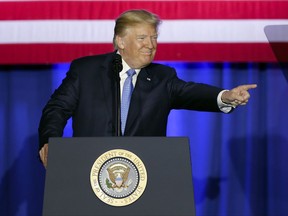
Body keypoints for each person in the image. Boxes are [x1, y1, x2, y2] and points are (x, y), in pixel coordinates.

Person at [38, 9, 257, 168]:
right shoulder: (86, 70)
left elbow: (192, 93)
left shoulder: (163, 77)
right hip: (89, 168)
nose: (150, 45)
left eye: (154, 37)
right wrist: (49, 142)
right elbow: (57, 108)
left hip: (144, 176)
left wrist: (226, 96)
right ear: (121, 41)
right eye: (142, 38)